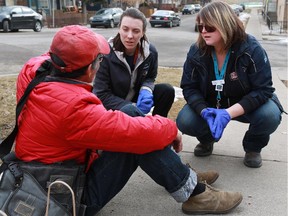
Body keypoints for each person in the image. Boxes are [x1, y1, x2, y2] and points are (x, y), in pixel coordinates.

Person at [15, 25, 242, 215]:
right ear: (88, 71)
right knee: (138, 138)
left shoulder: (35, 70)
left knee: (134, 122)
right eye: (99, 60)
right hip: (67, 197)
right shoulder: (71, 107)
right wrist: (172, 129)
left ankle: (183, 176)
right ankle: (195, 194)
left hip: (42, 175)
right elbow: (136, 132)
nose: (101, 63)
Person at [176, 1, 283, 168]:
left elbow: (263, 90)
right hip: (210, 105)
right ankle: (207, 139)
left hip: (244, 105)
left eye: (209, 27)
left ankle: (253, 147)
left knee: (269, 115)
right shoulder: (196, 51)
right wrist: (203, 111)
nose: (203, 31)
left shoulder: (251, 49)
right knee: (185, 120)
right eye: (200, 26)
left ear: (224, 24)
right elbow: (189, 87)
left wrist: (228, 113)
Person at [93, 8, 174, 117]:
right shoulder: (105, 53)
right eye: (125, 29)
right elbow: (101, 94)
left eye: (136, 31)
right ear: (119, 28)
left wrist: (146, 90)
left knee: (167, 90)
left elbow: (150, 77)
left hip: (136, 97)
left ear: (143, 32)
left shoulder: (150, 52)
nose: (130, 36)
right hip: (112, 105)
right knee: (131, 112)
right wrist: (131, 106)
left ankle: (158, 124)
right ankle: (146, 128)